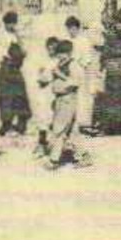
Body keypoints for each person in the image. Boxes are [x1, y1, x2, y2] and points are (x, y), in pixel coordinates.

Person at [40, 39, 89, 169]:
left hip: (68, 99)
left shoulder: (73, 65)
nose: (59, 56)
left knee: (59, 129)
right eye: (58, 53)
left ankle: (54, 160)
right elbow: (48, 79)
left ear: (69, 53)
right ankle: (83, 156)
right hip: (60, 100)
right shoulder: (60, 64)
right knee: (72, 132)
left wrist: (60, 75)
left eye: (62, 53)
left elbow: (76, 82)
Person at [0, 12, 31, 137]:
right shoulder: (0, 35)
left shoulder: (16, 35)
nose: (12, 25)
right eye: (10, 23)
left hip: (16, 68)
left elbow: (24, 51)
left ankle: (21, 124)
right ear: (5, 23)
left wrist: (19, 38)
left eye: (14, 23)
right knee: (4, 96)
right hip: (6, 68)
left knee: (20, 96)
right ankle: (6, 123)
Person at [66, 15, 100, 134]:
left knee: (82, 98)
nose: (70, 31)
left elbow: (86, 60)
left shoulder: (83, 41)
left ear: (76, 28)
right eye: (68, 29)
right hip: (71, 71)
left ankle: (84, 123)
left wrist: (82, 68)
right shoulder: (70, 41)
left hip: (81, 71)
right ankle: (71, 121)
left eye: (71, 29)